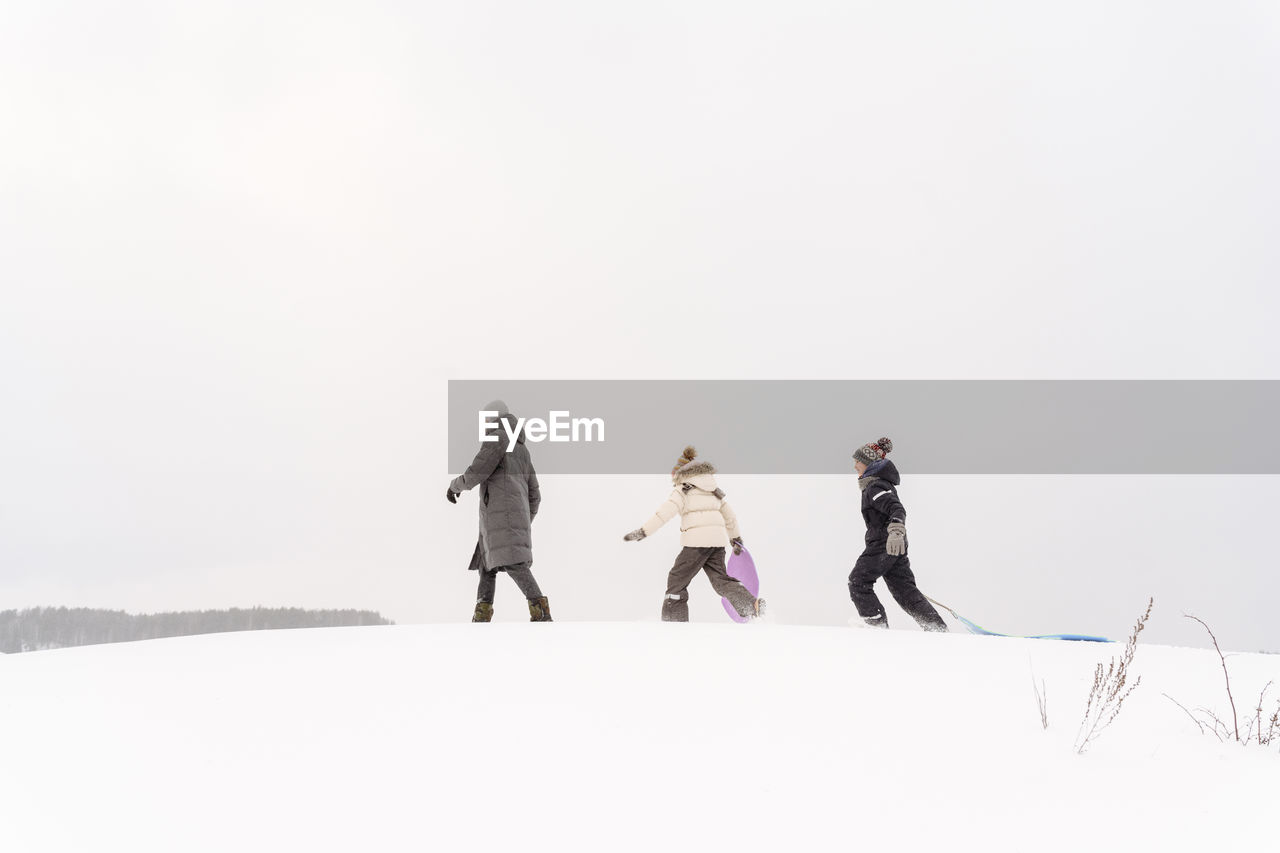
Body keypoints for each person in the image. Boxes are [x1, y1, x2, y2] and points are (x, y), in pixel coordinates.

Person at [623, 446, 764, 622]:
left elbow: (663, 514)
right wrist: (735, 539)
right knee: (720, 580)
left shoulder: (683, 490)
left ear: (680, 474)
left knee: (677, 579)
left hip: (697, 544)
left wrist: (644, 531)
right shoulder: (714, 491)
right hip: (717, 544)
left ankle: (674, 621)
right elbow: (730, 516)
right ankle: (751, 604)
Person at [447, 400, 551, 622]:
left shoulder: (497, 437)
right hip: (503, 519)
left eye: (485, 419)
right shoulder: (522, 449)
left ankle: (540, 610)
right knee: (486, 565)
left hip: (499, 519)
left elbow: (476, 472)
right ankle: (481, 615)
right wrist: (523, 518)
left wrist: (454, 486)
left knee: (514, 563)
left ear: (494, 418)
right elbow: (536, 495)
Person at [848, 437, 947, 632]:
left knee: (858, 582)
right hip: (894, 544)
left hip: (885, 543)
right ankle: (937, 629)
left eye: (857, 461)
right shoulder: (878, 484)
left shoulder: (875, 486)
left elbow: (896, 508)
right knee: (905, 592)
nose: (854, 466)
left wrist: (895, 530)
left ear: (867, 464)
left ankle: (876, 626)